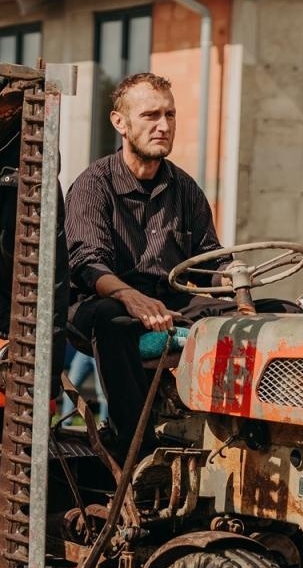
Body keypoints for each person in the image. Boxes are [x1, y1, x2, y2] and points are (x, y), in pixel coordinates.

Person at [67, 73, 276, 434]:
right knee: (112, 319)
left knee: (281, 314)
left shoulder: (185, 189)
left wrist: (231, 272)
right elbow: (86, 262)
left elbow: (209, 259)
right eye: (150, 116)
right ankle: (134, 442)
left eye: (170, 115)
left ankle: (251, 431)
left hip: (172, 304)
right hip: (104, 304)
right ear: (120, 122)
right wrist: (128, 295)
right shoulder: (94, 185)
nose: (163, 126)